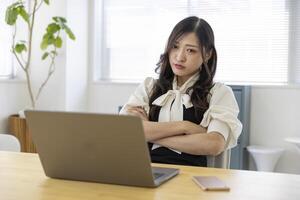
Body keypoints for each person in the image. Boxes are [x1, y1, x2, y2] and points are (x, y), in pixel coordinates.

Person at [119, 16, 242, 167]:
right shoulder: (149, 87)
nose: (179, 57)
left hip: (192, 178)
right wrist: (185, 127)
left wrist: (150, 135)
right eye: (175, 46)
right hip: (145, 172)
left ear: (208, 54)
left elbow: (214, 143)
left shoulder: (219, 93)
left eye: (190, 50)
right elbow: (129, 130)